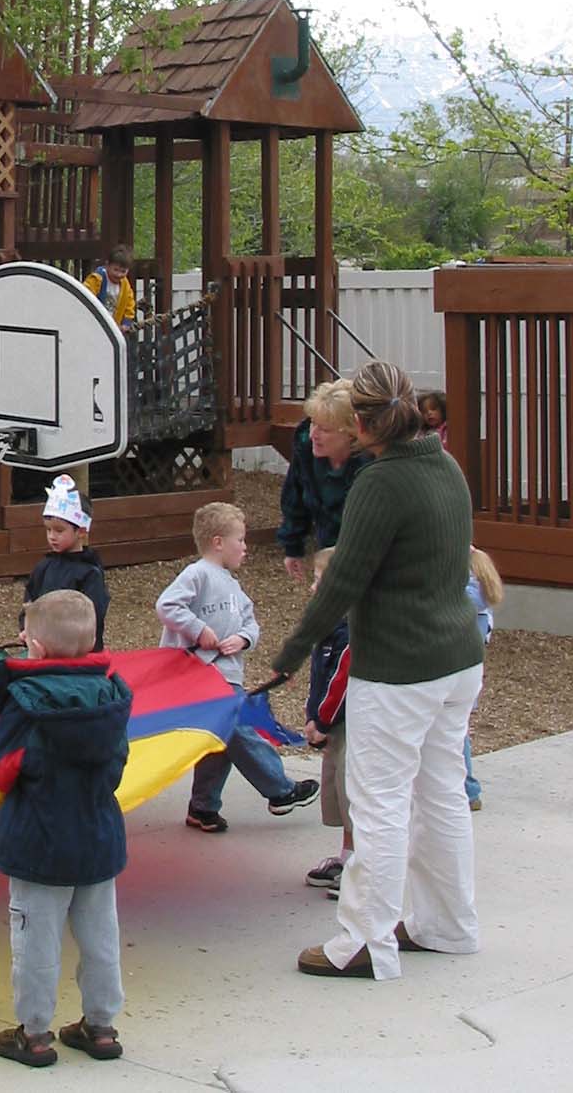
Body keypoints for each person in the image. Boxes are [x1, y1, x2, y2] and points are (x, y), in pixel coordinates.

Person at [270, 360, 484, 981]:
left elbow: (340, 584)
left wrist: (288, 658)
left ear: (363, 423)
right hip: (457, 660)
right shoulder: (445, 467)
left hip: (401, 669)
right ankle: (448, 927)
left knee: (379, 803)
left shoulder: (381, 483)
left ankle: (365, 943)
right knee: (440, 791)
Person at [0, 590, 131, 1067]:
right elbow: (117, 766)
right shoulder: (111, 699)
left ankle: (34, 1033)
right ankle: (101, 1026)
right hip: (97, 838)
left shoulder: (25, 705)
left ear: (37, 649)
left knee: (36, 942)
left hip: (39, 843)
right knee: (100, 938)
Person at [158, 503, 319, 832]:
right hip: (199, 675)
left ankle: (202, 807)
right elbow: (167, 605)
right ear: (218, 542)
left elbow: (251, 623)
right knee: (237, 728)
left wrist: (244, 640)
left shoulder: (233, 586)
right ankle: (281, 789)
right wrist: (198, 630)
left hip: (227, 674)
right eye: (241, 540)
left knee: (222, 741)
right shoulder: (197, 574)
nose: (246, 547)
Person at [277, 378, 371, 583]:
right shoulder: (306, 449)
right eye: (313, 424)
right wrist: (292, 546)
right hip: (328, 545)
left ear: (351, 433)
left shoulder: (371, 465)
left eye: (325, 429)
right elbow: (295, 497)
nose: (313, 435)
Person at [302, 548, 353, 898]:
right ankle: (348, 856)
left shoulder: (348, 630)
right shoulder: (328, 625)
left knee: (353, 794)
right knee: (337, 790)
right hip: (332, 724)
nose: (311, 588)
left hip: (350, 725)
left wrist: (321, 719)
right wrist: (312, 715)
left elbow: (341, 680)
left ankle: (360, 869)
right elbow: (320, 677)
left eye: (317, 581)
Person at [19, 474, 110, 652]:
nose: (52, 536)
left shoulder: (90, 572)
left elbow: (93, 617)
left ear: (81, 531)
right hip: (43, 648)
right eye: (48, 530)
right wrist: (26, 630)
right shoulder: (44, 567)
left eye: (59, 530)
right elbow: (30, 603)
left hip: (79, 653)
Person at [463, 546, 504, 810]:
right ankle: (468, 790)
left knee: (455, 736)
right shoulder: (484, 603)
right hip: (470, 675)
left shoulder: (469, 598)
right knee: (459, 733)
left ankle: (468, 789)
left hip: (458, 672)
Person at [81, 245, 136, 332]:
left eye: (123, 271)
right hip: (95, 324)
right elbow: (86, 296)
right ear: (107, 265)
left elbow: (129, 304)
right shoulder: (97, 279)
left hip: (114, 326)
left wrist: (126, 322)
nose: (119, 274)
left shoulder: (125, 284)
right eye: (116, 270)